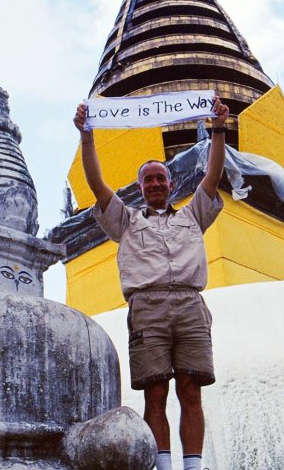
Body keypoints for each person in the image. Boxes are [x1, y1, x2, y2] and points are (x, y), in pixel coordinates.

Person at [73, 96, 229, 470]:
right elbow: (96, 183)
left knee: (191, 391)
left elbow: (213, 174)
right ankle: (163, 467)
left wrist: (220, 128)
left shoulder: (193, 216)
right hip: (147, 308)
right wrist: (88, 135)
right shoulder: (126, 222)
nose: (156, 183)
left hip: (191, 305)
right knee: (155, 392)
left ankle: (193, 466)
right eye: (149, 179)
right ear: (140, 187)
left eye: (161, 178)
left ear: (171, 184)